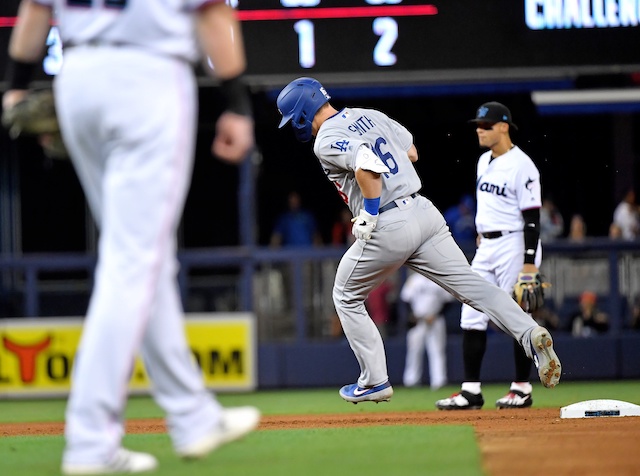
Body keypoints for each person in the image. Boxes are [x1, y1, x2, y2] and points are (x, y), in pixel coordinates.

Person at [3, 1, 260, 474]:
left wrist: (16, 85)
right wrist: (238, 105)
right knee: (133, 260)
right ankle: (89, 440)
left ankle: (193, 415)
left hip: (77, 73)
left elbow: (35, 10)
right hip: (149, 75)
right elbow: (214, 14)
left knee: (147, 258)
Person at [276, 77, 561, 405]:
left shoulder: (325, 137)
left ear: (301, 112)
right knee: (473, 287)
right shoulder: (367, 114)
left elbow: (366, 161)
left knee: (345, 295)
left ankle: (374, 381)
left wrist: (368, 212)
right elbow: (411, 151)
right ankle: (529, 332)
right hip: (424, 212)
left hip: (387, 221)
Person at [435, 101, 546, 411]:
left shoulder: (523, 165)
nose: (480, 130)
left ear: (503, 127)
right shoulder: (483, 161)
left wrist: (528, 261)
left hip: (514, 242)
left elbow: (532, 218)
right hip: (488, 245)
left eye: (485, 125)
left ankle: (521, 388)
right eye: (478, 126)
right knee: (470, 313)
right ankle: (471, 391)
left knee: (517, 314)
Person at [400, 271, 453, 390]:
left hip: (435, 319)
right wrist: (411, 315)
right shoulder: (415, 279)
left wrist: (436, 314)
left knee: (437, 350)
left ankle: (439, 381)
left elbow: (448, 301)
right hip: (418, 319)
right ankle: (411, 381)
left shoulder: (439, 279)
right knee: (414, 350)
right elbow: (405, 299)